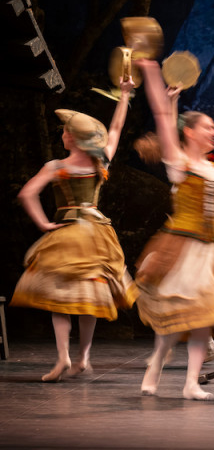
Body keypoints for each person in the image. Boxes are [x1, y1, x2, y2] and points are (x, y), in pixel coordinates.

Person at [12, 78, 137, 382]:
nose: (64, 134)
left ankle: (64, 357)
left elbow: (26, 194)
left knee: (61, 299)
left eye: (67, 131)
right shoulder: (99, 161)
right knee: (88, 299)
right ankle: (81, 358)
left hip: (67, 235)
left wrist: (43, 223)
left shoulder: (56, 167)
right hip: (96, 235)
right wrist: (124, 96)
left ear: (77, 140)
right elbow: (117, 130)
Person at [134, 59, 214, 400]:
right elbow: (164, 120)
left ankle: (192, 383)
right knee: (175, 316)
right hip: (180, 248)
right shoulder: (179, 164)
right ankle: (156, 363)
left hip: (210, 251)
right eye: (209, 127)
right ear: (191, 132)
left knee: (204, 316)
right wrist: (155, 78)